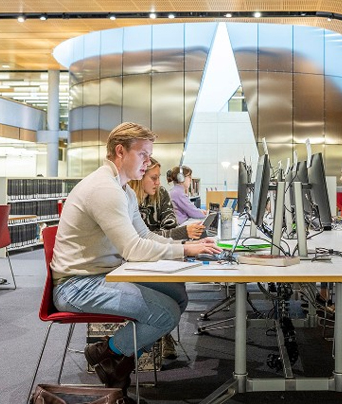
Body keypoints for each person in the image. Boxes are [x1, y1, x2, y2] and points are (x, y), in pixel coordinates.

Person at [51, 122, 220, 399]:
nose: (148, 162)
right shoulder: (104, 189)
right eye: (143, 155)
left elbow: (145, 235)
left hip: (102, 274)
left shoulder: (125, 190)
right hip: (77, 285)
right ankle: (108, 352)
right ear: (120, 151)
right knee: (166, 313)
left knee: (177, 294)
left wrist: (185, 244)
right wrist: (185, 251)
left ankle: (116, 365)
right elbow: (133, 248)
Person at [129, 157, 206, 362]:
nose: (158, 183)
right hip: (132, 262)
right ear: (139, 178)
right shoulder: (127, 200)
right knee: (176, 294)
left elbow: (165, 230)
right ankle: (147, 339)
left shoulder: (160, 194)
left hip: (152, 255)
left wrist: (181, 242)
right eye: (153, 177)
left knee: (177, 290)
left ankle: (151, 336)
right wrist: (181, 238)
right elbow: (138, 240)